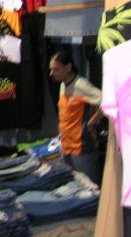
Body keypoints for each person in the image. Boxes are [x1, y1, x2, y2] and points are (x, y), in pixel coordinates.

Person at [49, 50, 103, 184]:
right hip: (67, 147)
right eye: (51, 69)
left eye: (56, 69)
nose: (52, 73)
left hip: (82, 148)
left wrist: (92, 122)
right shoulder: (63, 85)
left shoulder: (80, 85)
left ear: (68, 67)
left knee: (90, 188)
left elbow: (107, 100)